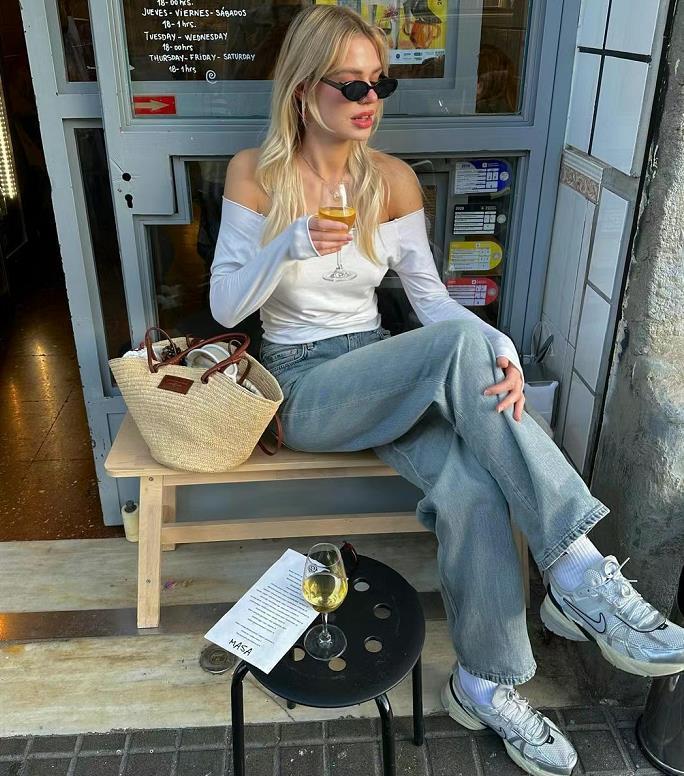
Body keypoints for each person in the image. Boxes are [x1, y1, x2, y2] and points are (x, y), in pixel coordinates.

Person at [209, 7, 684, 775]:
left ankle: (484, 683)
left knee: (474, 487)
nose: (369, 98)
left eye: (381, 82)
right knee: (461, 357)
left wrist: (502, 352)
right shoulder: (255, 175)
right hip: (301, 383)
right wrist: (286, 244)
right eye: (350, 84)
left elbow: (432, 302)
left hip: (381, 364)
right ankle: (576, 568)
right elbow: (227, 306)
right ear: (302, 89)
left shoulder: (390, 180)